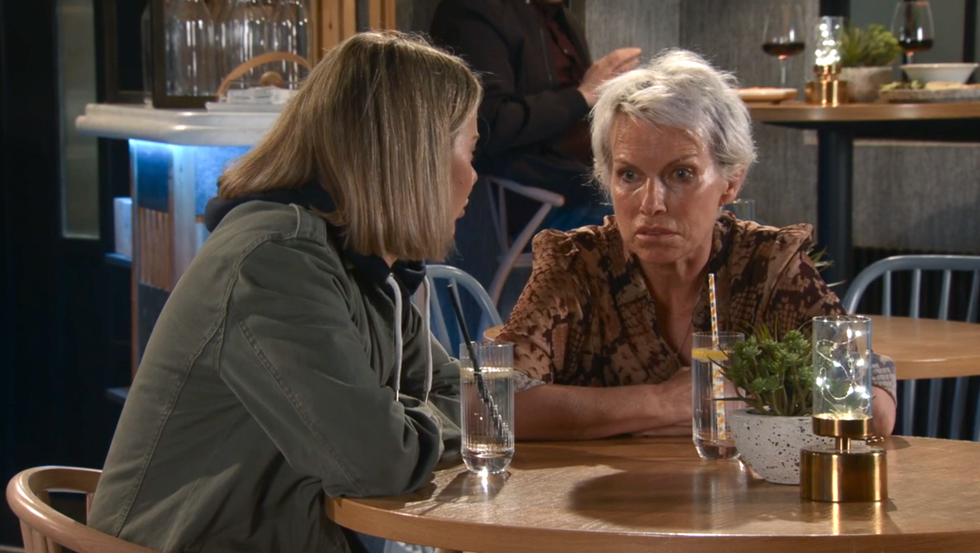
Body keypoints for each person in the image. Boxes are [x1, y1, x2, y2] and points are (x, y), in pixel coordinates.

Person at [88, 32, 483, 553]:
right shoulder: (278, 260)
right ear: (414, 158)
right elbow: (380, 462)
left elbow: (463, 394)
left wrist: (405, 421)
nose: (474, 176)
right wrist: (411, 424)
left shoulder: (360, 263)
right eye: (470, 149)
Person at [497, 49, 898, 441]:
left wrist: (739, 404)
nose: (651, 203)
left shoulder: (766, 264)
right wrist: (664, 402)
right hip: (597, 487)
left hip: (738, 487)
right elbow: (492, 400)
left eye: (681, 174)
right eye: (629, 175)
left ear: (731, 182)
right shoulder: (575, 264)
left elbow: (873, 408)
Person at [429, 0, 641, 234]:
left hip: (584, 179)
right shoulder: (477, 11)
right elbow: (488, 124)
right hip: (537, 198)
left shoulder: (563, 20)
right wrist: (581, 96)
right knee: (641, 213)